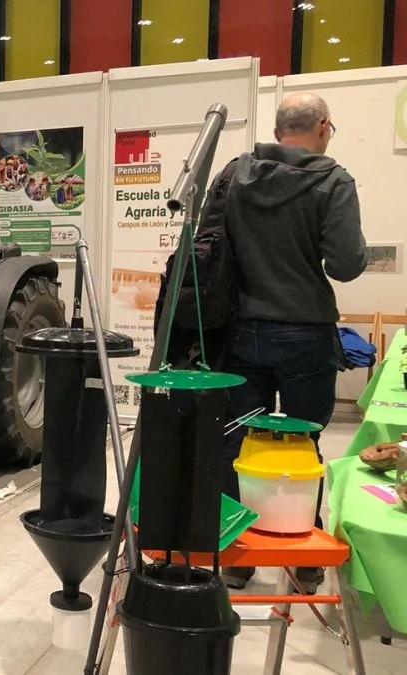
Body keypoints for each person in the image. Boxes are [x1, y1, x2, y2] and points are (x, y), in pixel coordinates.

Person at [219, 93, 367, 594]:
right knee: (304, 441)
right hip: (305, 332)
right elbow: (345, 264)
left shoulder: (235, 174)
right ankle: (303, 557)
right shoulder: (333, 180)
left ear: (279, 128)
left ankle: (238, 556)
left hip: (239, 329)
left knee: (240, 441)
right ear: (324, 126)